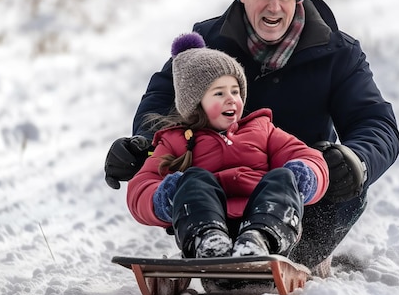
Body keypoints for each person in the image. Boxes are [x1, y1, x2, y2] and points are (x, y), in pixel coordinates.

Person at [105, 0, 399, 277]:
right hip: (216, 191)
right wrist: (144, 140)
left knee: (347, 179)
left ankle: (299, 258)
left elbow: (376, 122)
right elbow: (161, 98)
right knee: (191, 178)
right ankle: (213, 249)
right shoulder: (208, 45)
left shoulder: (338, 53)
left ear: (298, 1)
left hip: (299, 194)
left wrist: (356, 159)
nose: (274, 7)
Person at [126, 32, 329, 262]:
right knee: (193, 179)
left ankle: (260, 239)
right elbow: (140, 187)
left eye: (235, 91)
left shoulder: (262, 129)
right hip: (205, 222)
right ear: (196, 104)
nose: (231, 99)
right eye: (219, 93)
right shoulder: (176, 140)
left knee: (283, 176)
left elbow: (306, 155)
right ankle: (210, 242)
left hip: (263, 218)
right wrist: (164, 197)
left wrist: (307, 175)